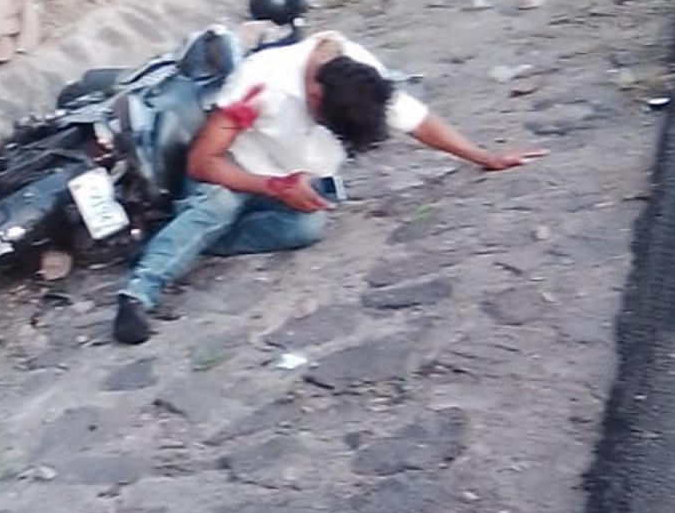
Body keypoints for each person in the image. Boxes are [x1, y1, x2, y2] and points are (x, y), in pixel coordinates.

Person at [112, 29, 546, 344]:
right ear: (315, 99)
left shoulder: (360, 76)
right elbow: (203, 161)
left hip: (286, 182)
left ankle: (176, 238)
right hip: (230, 170)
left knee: (307, 229)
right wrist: (274, 184)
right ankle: (139, 293)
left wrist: (484, 157)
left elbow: (420, 124)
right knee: (219, 208)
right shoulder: (263, 83)